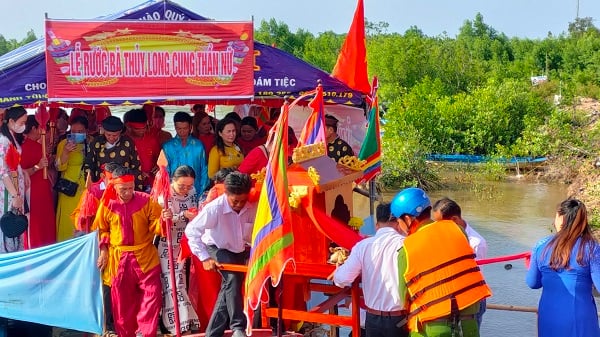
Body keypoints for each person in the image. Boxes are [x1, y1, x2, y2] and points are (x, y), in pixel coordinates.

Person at [391, 187, 491, 337]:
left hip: (432, 327)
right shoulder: (458, 230)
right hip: (468, 324)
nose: (399, 226)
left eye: (399, 221)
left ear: (407, 219)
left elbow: (403, 297)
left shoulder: (406, 249)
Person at [94, 166, 167, 337]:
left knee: (152, 295)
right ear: (114, 187)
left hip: (145, 256)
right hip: (118, 259)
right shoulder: (107, 204)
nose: (128, 192)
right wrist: (103, 252)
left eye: (130, 188)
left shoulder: (146, 200)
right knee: (121, 304)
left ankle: (146, 333)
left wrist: (163, 220)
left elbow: (156, 226)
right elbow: (101, 230)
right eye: (123, 189)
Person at [185, 172, 257, 337]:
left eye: (242, 200)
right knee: (231, 279)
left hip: (239, 249)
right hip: (217, 247)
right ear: (226, 194)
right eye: (235, 201)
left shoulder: (252, 205)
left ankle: (213, 333)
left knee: (229, 287)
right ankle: (238, 327)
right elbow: (192, 231)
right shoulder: (214, 208)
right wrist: (204, 257)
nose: (239, 204)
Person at [526, 199, 600, 337]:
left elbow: (532, 283)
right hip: (580, 317)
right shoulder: (592, 248)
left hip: (549, 315)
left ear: (560, 218)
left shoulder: (541, 245)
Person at [333, 202, 409, 337]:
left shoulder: (363, 246)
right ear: (399, 222)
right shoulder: (407, 244)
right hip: (401, 319)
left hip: (372, 319)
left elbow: (342, 279)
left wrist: (338, 270)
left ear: (377, 225)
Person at [432, 197, 488, 329]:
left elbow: (471, 277)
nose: (436, 226)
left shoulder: (476, 243)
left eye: (439, 223)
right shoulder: (442, 236)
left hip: (470, 300)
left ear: (454, 220)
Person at [159, 165, 201, 334]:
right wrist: (182, 216)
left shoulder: (192, 192)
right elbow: (160, 221)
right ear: (172, 181)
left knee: (186, 282)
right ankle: (176, 323)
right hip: (167, 244)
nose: (186, 190)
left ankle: (188, 320)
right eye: (181, 186)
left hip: (187, 243)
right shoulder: (164, 194)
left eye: (189, 186)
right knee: (173, 283)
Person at [21, 115, 55, 248]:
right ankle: (35, 246)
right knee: (35, 222)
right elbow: (20, 174)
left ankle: (46, 245)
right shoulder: (23, 147)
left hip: (43, 189)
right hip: (32, 190)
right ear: (34, 128)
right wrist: (37, 167)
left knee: (44, 220)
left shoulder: (38, 146)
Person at [84, 116, 144, 191]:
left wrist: (137, 189)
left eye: (115, 135)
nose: (111, 138)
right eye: (108, 135)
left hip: (124, 186)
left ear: (120, 132)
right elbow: (89, 165)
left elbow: (136, 166)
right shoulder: (96, 142)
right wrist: (91, 187)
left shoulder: (128, 142)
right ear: (103, 131)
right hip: (101, 185)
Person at [55, 115, 90, 242]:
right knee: (67, 222)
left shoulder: (90, 143)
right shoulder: (64, 144)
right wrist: (65, 152)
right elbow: (58, 167)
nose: (76, 134)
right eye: (73, 131)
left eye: (80, 132)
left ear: (86, 131)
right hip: (68, 189)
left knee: (83, 221)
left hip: (85, 189)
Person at [0, 106, 28, 253]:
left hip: (15, 191)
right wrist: (14, 195)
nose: (24, 126)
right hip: (7, 194)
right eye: (22, 122)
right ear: (11, 121)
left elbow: (13, 165)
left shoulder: (11, 138)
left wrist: (23, 172)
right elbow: (2, 172)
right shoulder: (3, 141)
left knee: (16, 227)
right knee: (9, 227)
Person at [161, 111, 209, 198]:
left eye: (185, 128)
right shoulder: (167, 146)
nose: (182, 131)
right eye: (179, 129)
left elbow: (204, 170)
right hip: (174, 191)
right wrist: (169, 191)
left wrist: (201, 192)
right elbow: (165, 171)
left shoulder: (198, 145)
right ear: (175, 127)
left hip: (196, 190)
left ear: (190, 127)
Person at [123, 108, 160, 191]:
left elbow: (160, 158)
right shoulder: (123, 141)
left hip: (150, 183)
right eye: (137, 129)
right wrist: (137, 174)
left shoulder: (152, 140)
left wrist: (158, 166)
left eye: (144, 128)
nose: (142, 131)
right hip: (130, 185)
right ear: (128, 126)